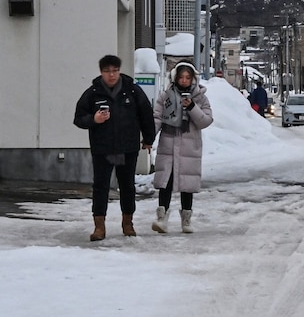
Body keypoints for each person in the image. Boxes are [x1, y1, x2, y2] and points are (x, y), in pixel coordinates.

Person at [74, 54, 156, 241]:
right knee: (100, 187)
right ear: (101, 72)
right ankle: (99, 227)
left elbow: (146, 114)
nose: (111, 75)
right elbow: (78, 118)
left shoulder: (132, 91)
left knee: (127, 186)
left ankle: (128, 223)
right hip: (102, 149)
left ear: (119, 71)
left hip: (127, 147)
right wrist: (93, 119)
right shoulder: (93, 93)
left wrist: (148, 138)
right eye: (107, 71)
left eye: (115, 71)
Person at [151, 61, 213, 234]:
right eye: (181, 77)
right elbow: (156, 118)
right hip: (168, 145)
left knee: (187, 184)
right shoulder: (165, 96)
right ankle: (161, 218)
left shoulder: (200, 97)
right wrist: (148, 138)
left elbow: (205, 121)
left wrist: (192, 107)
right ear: (175, 77)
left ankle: (186, 220)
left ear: (193, 78)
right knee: (166, 183)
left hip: (189, 147)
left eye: (188, 77)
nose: (184, 80)